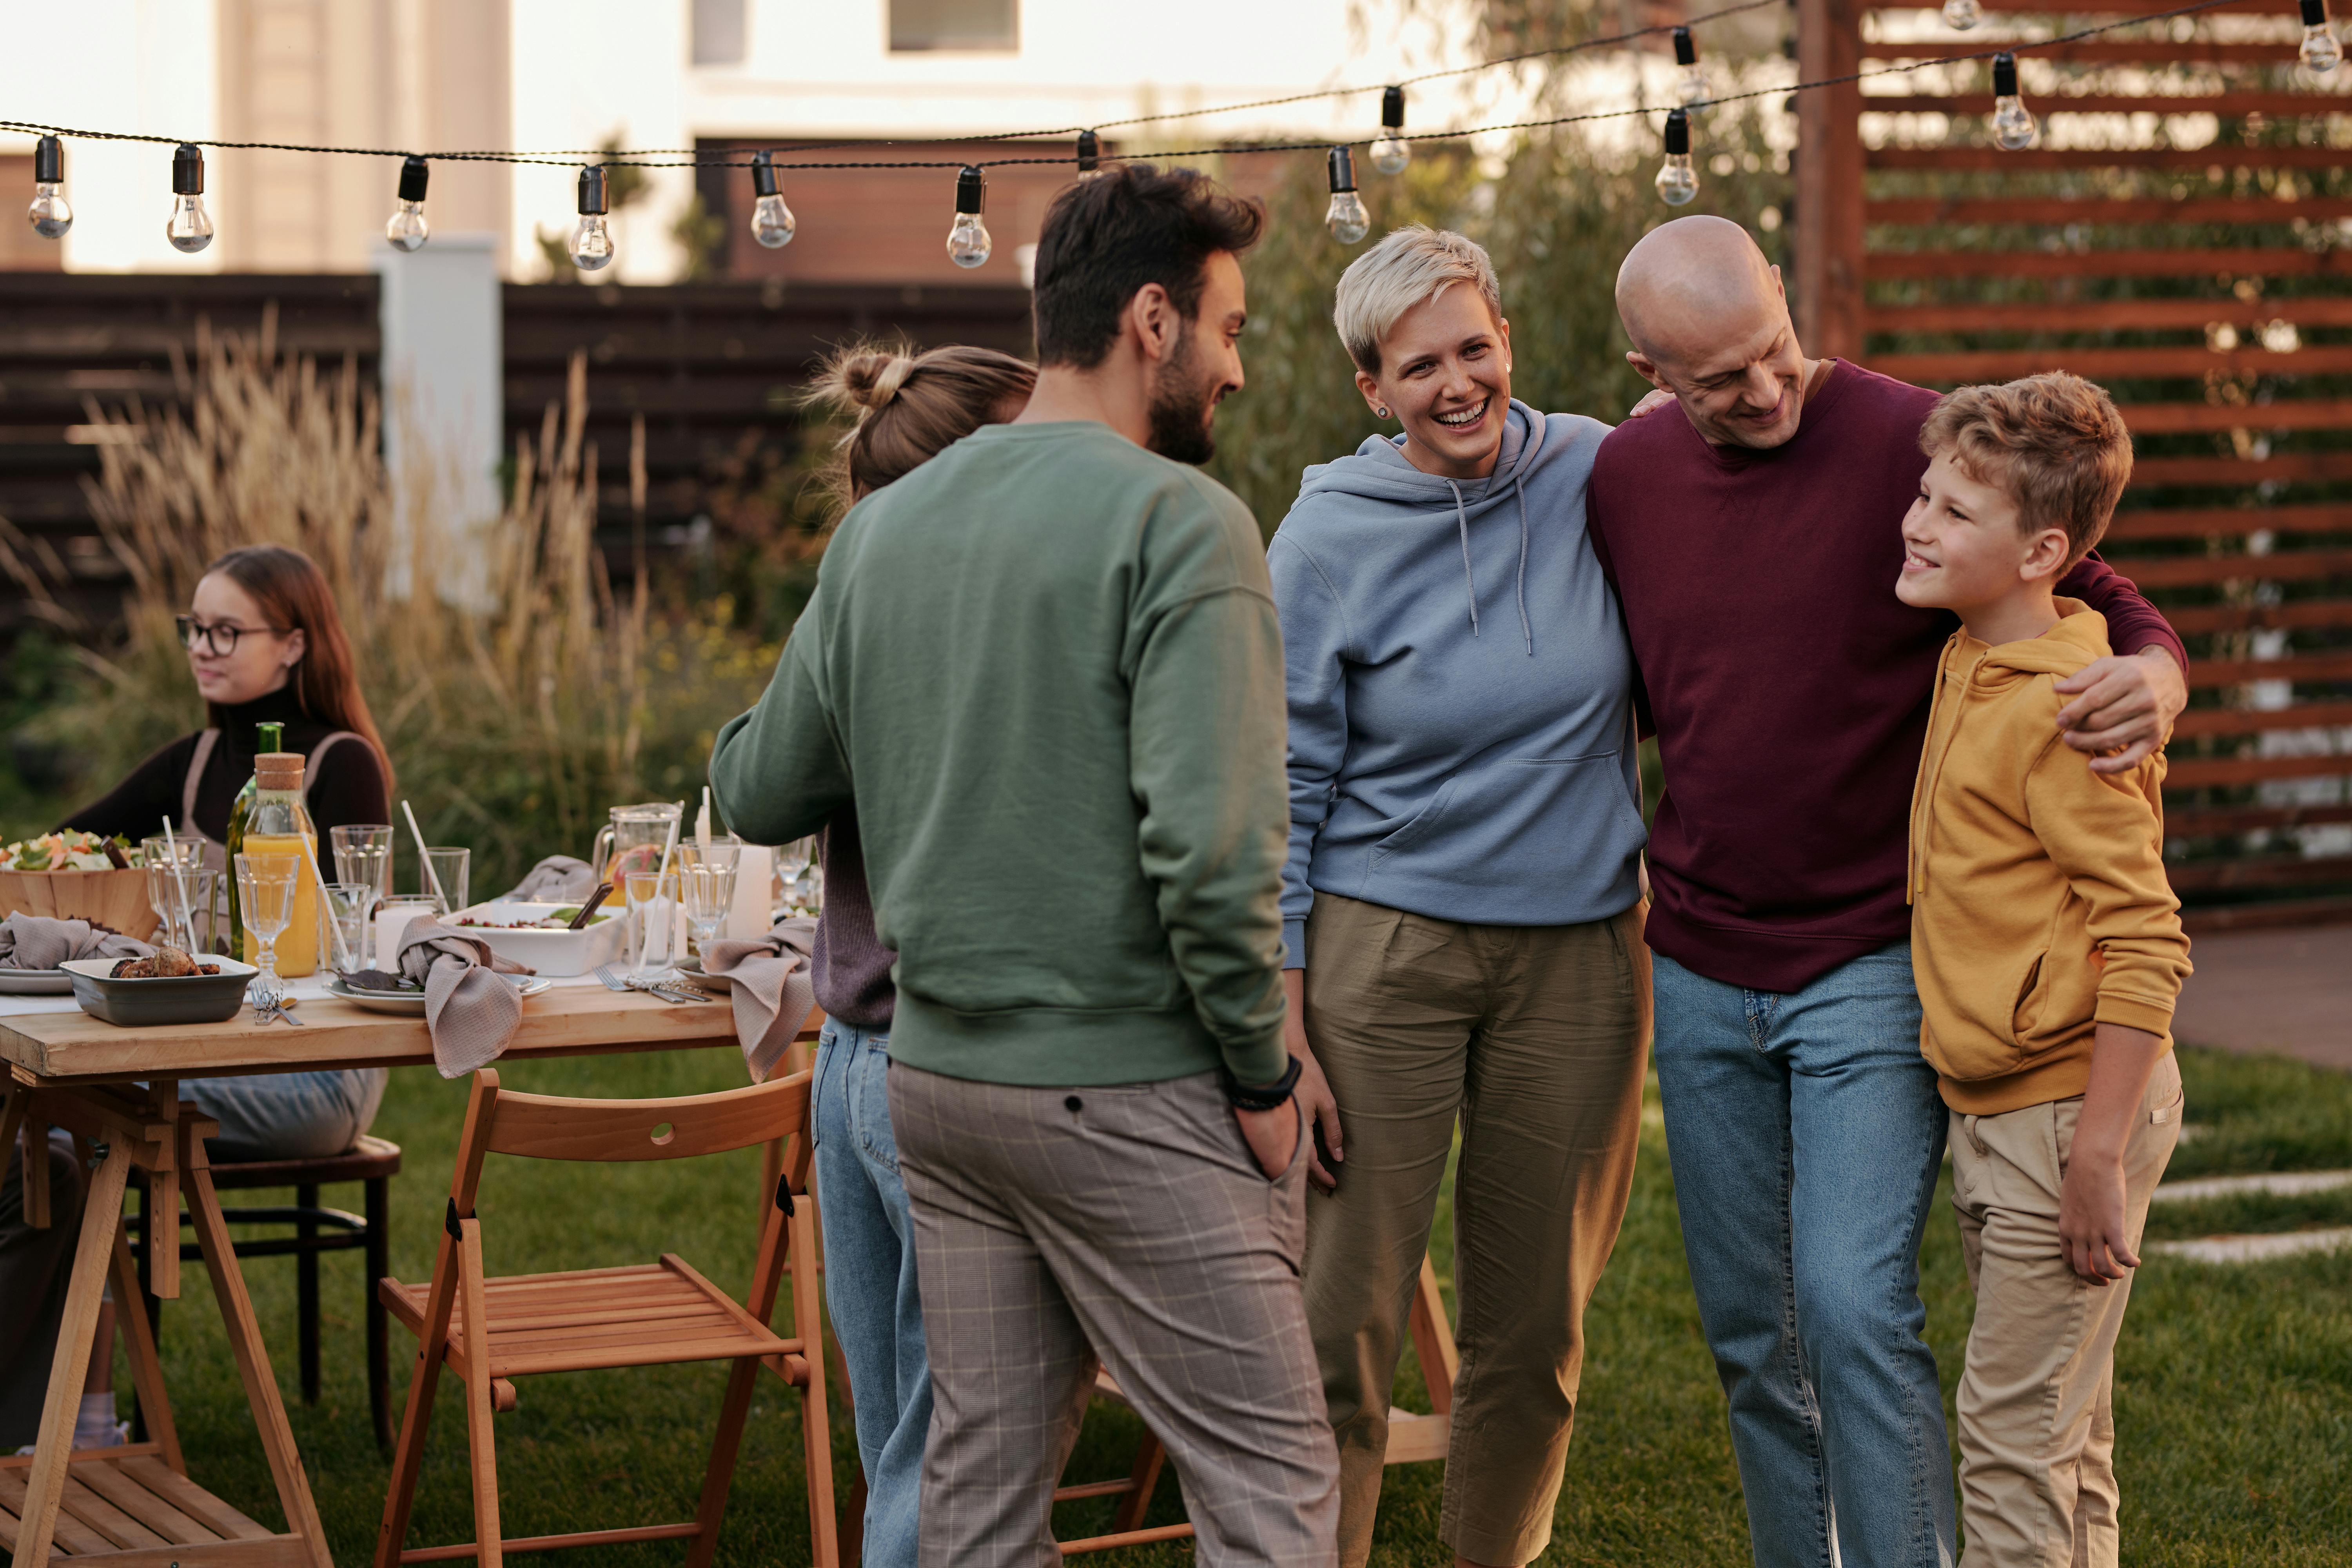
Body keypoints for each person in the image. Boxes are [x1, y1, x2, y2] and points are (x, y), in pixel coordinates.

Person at [711, 163, 1339, 1566]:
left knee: (976, 1507)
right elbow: (1216, 846)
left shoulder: (880, 532)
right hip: (1124, 1083)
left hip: (939, 1090)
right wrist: (1262, 1078)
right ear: (1156, 321)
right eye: (1232, 331)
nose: (1237, 370)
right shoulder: (1184, 526)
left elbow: (756, 789)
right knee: (1274, 1484)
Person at [1590, 216, 2187, 1568]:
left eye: (1775, 352)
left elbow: (2079, 574)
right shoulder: (1624, 474)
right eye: (1719, 382)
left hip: (1869, 958)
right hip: (1695, 960)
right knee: (1756, 1338)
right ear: (1649, 371)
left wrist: (2159, 677)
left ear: (1788, 306)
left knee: (1854, 1307)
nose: (1765, 393)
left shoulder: (1905, 446)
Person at [1269, 225, 1647, 1568]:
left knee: (1535, 1327)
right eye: (1417, 365)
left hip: (1583, 956)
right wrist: (1288, 1026)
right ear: (1373, 388)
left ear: (1505, 340)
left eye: (1473, 348)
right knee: (1337, 1325)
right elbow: (1286, 787)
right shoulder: (1324, 538)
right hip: (1384, 953)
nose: (1456, 382)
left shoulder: (1605, 471)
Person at [1896, 373, 2190, 1568]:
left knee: (2012, 1440)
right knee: (2067, 1432)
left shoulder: (2074, 710)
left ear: (2045, 552)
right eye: (1924, 493)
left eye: (1957, 513)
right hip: (2002, 1103)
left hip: (2070, 1111)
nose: (1918, 522)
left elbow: (2148, 938)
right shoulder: (1972, 655)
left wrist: (2098, 1158)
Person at [795, 339, 1038, 1568]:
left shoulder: (857, 601)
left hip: (845, 1063)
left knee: (902, 1436)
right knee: (953, 1463)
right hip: (934, 1060)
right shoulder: (982, 629)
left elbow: (765, 774)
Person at [61, 544, 394, 1161]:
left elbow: (352, 945)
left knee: (58, 1097)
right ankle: (86, 1253)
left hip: (314, 1070)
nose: (201, 648)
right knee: (43, 1117)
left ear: (293, 646)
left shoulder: (341, 762)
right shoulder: (195, 760)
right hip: (200, 1047)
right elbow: (65, 848)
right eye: (195, 629)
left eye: (226, 632)